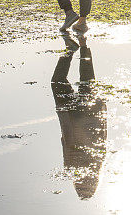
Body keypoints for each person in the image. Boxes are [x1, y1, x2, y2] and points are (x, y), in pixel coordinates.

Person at [51, 42, 107, 199]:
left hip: (89, 114)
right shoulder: (73, 168)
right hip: (73, 116)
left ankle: (82, 44)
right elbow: (66, 140)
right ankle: (72, 49)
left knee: (87, 80)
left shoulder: (100, 161)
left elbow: (102, 131)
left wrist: (101, 106)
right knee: (58, 82)